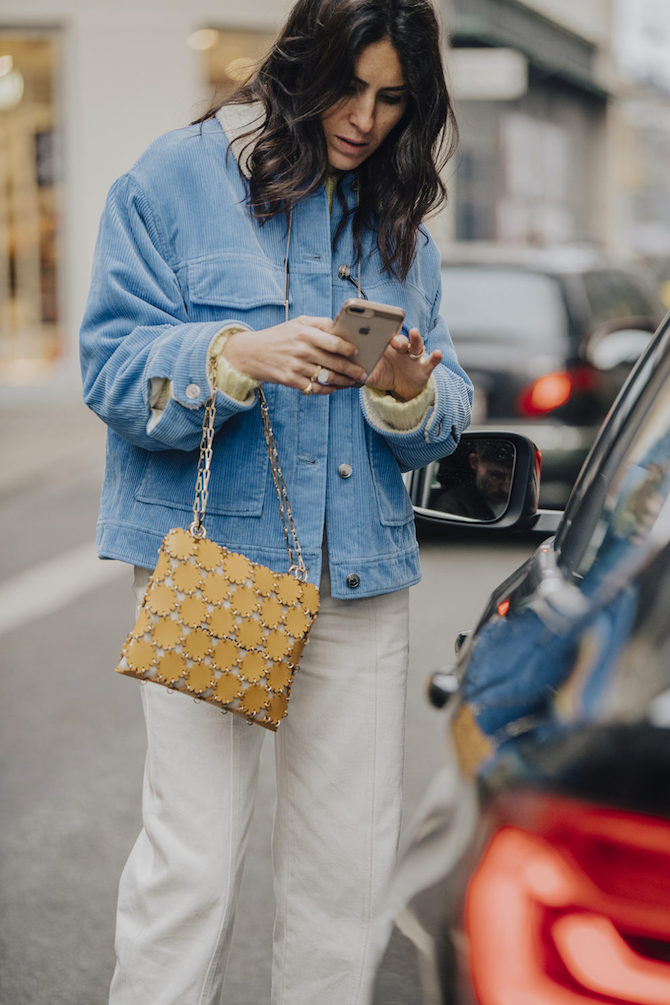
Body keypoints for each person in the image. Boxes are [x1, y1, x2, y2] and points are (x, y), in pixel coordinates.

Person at [79, 1, 472, 1002]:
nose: (368, 118)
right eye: (352, 87)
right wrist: (233, 355)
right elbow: (111, 373)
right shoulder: (176, 177)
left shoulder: (394, 214)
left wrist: (408, 391)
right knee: (190, 866)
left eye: (393, 98)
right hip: (220, 568)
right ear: (301, 64)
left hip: (363, 577)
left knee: (345, 881)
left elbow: (448, 406)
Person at [433, 439, 514, 520]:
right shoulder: (451, 506)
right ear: (474, 462)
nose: (505, 489)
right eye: (496, 476)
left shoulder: (524, 499)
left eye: (513, 477)